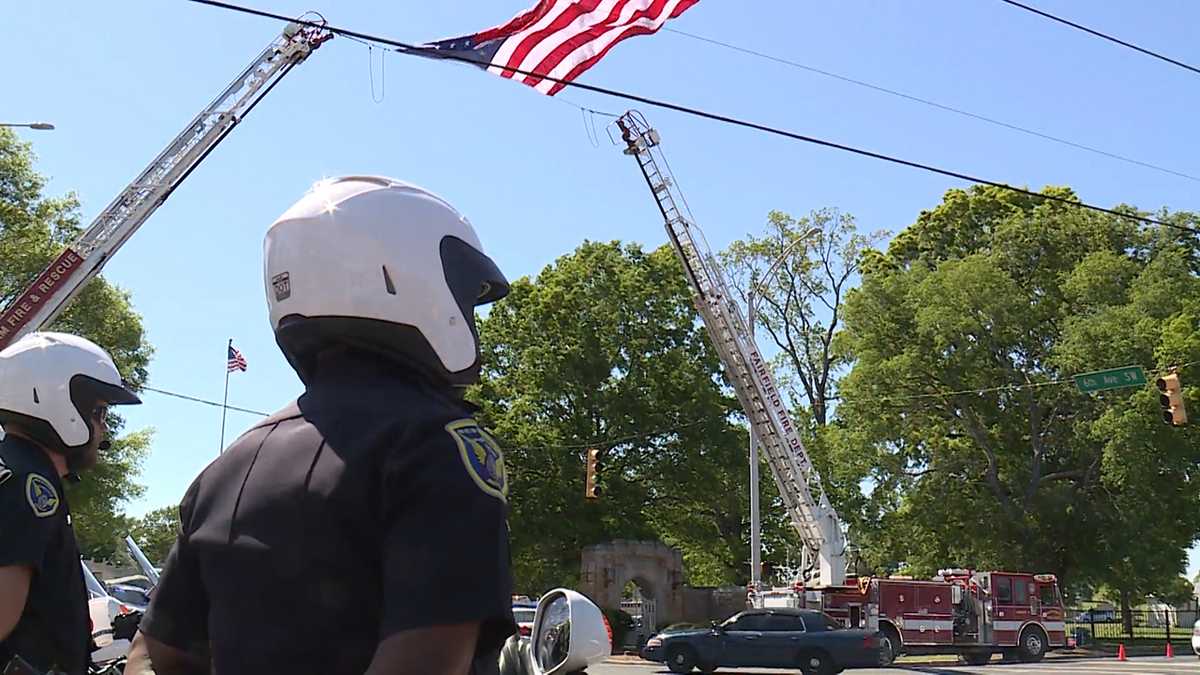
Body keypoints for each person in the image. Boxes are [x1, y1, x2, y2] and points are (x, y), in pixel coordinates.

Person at [132, 177, 517, 675]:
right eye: (466, 299)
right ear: (409, 277)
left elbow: (154, 655)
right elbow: (425, 661)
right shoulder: (433, 447)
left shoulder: (228, 467)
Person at [0, 332, 141, 675]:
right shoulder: (29, 485)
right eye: (99, 413)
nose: (104, 431)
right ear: (60, 402)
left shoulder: (16, 470)